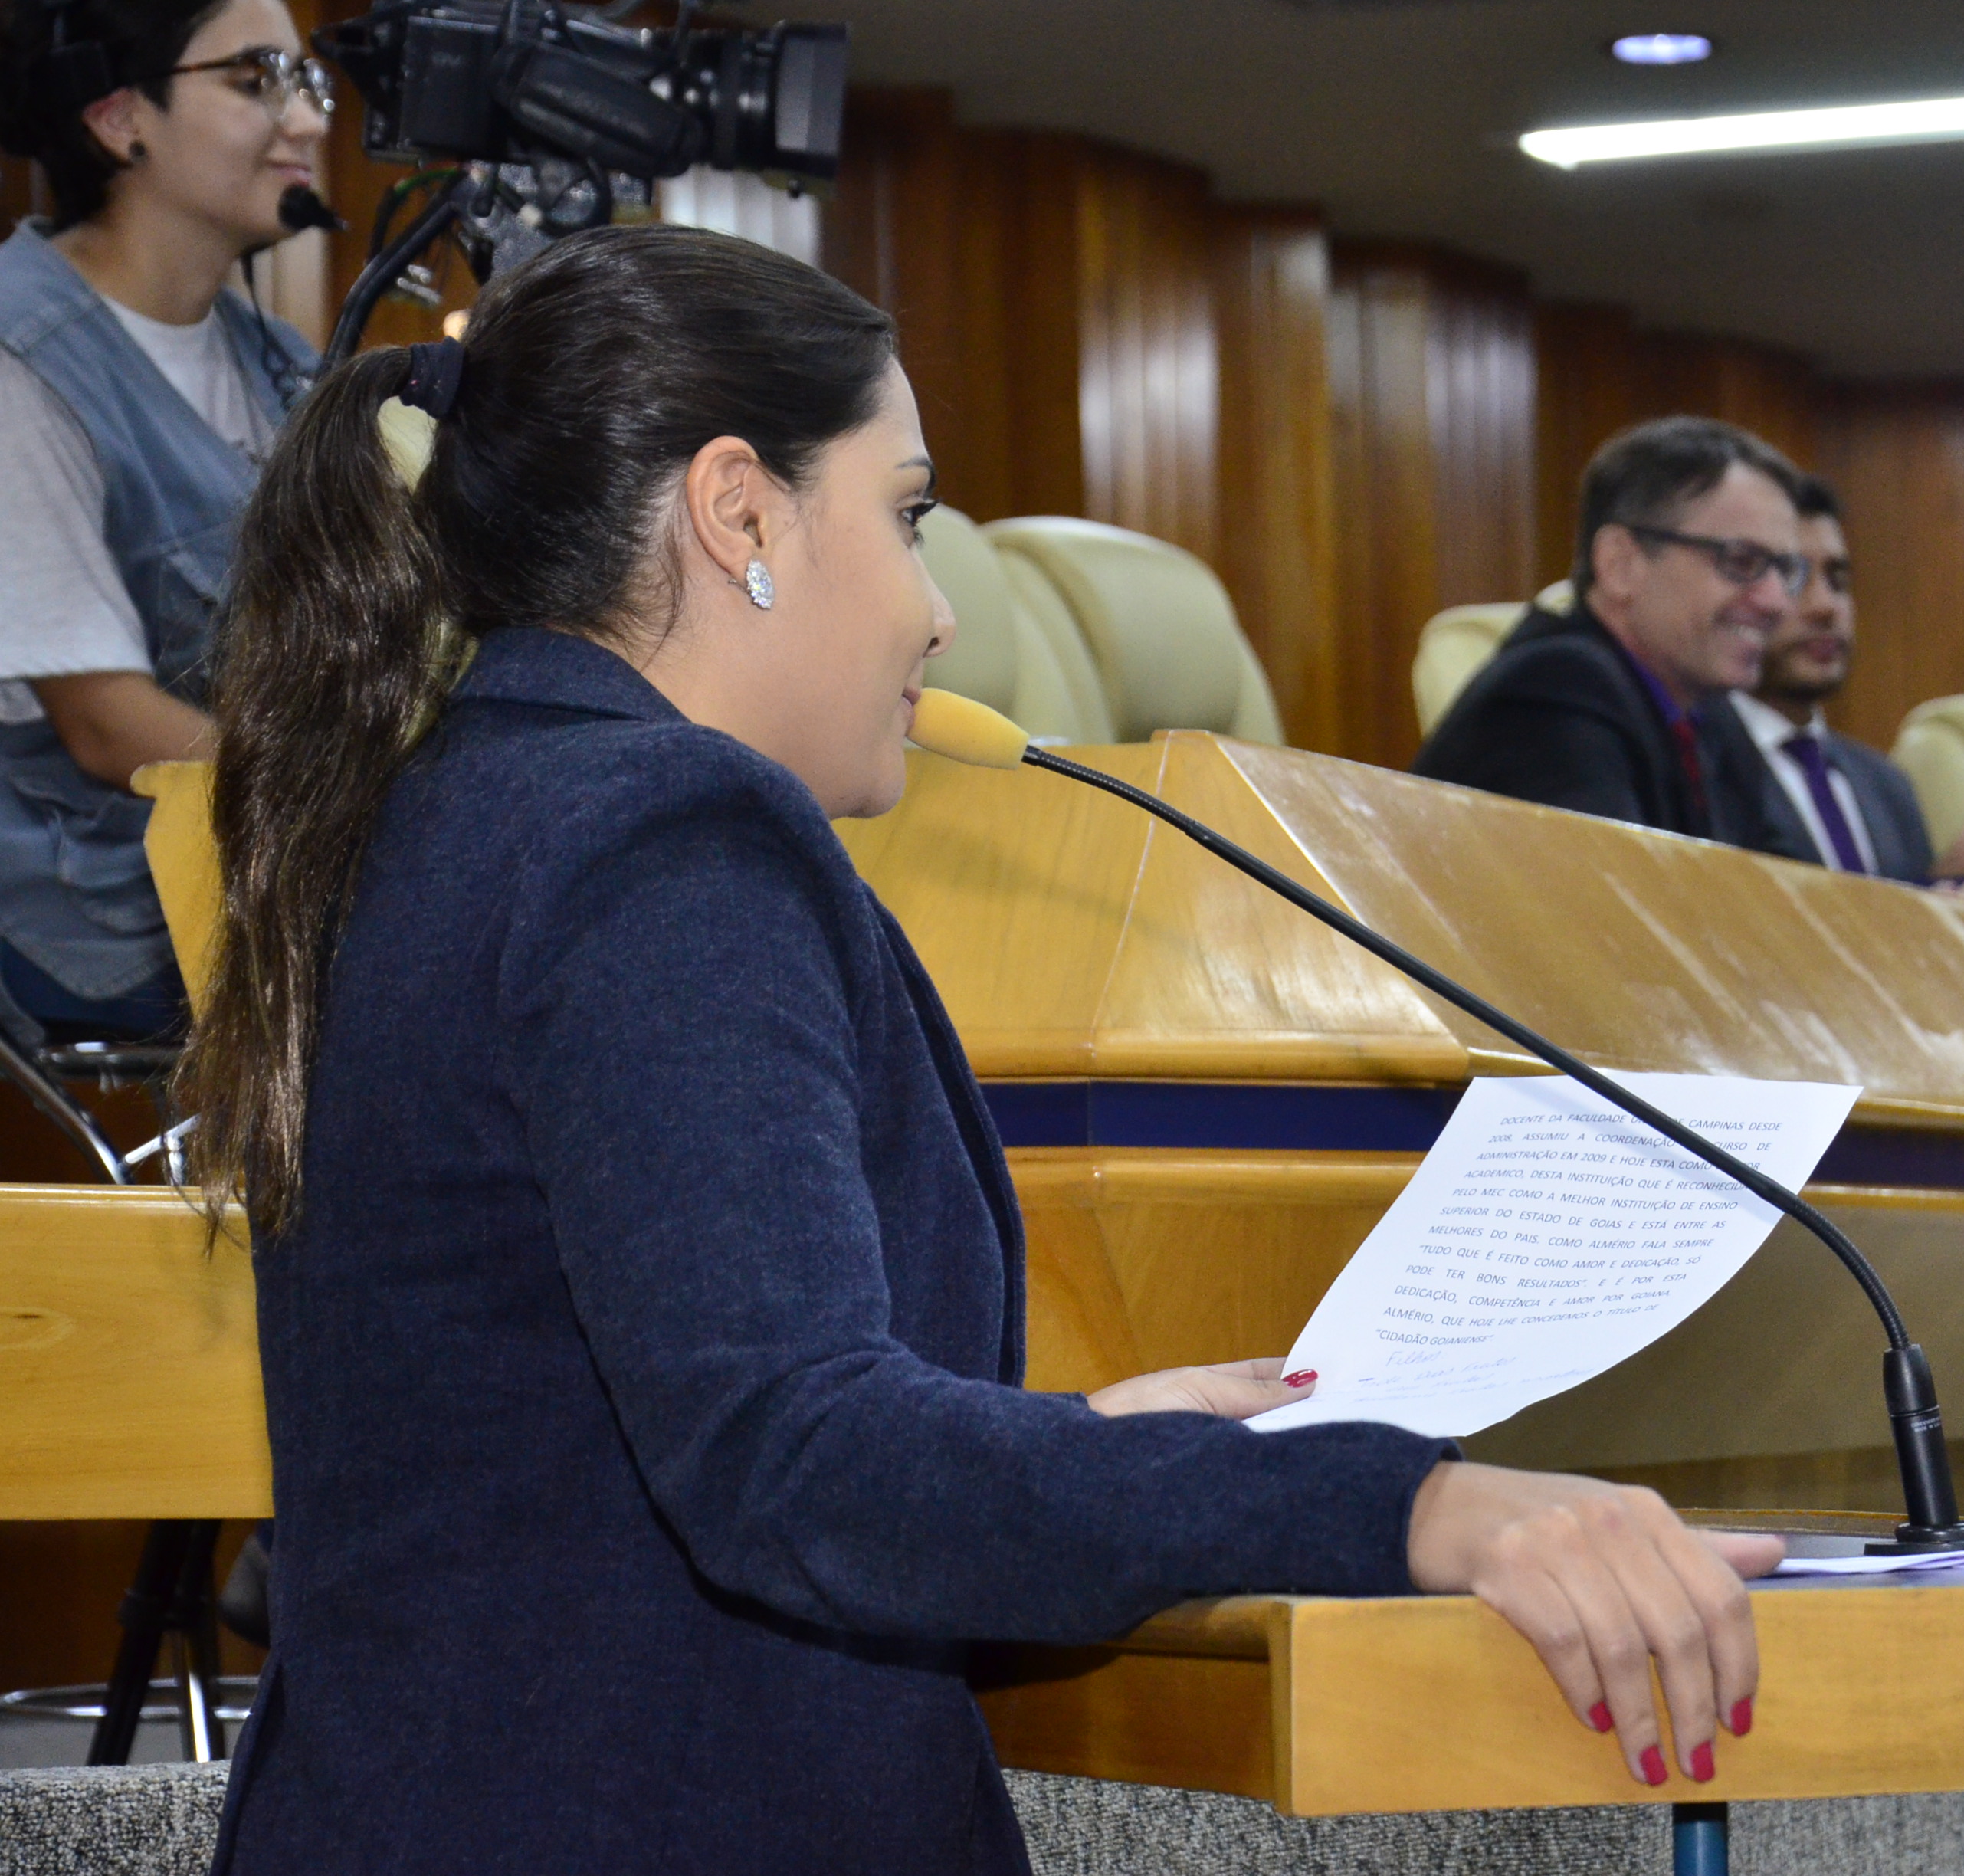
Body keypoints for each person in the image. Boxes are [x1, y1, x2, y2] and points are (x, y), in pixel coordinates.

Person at [177, 226, 1781, 1872]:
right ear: (740, 514)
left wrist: (1089, 1448)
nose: (940, 613)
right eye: (907, 513)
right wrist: (1409, 1505)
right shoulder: (663, 834)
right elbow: (794, 1460)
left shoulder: (442, 805)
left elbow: (579, 1437)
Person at [0, 0, 324, 1042]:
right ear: (118, 118)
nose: (309, 119)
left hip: (258, 857)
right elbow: (105, 726)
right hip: (99, 900)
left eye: (307, 82)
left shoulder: (276, 358)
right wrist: (355, 809)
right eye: (257, 79)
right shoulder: (18, 356)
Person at [1411, 415, 1799, 845]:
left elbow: (1787, 877)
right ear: (1620, 565)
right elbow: (1612, 886)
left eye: (1785, 571)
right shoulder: (1555, 690)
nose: (1776, 602)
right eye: (1742, 561)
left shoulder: (1714, 717)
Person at [1711, 475, 1964, 886]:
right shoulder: (1701, 766)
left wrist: (1957, 877)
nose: (1826, 607)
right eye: (1794, 576)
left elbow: (1896, 921)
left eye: (1838, 580)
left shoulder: (1886, 784)